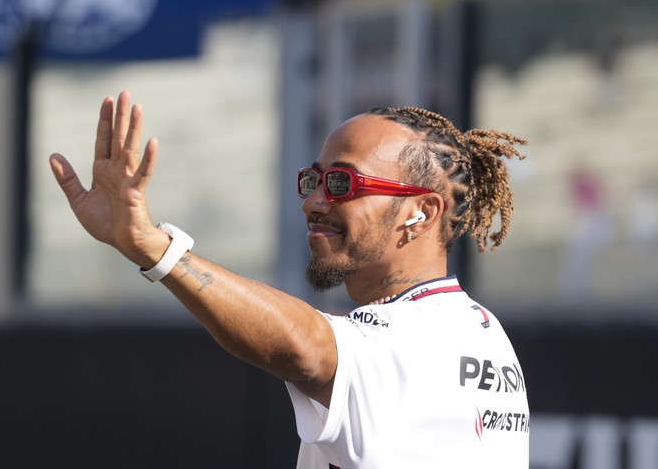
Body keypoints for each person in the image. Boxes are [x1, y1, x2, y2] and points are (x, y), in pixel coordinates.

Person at [49, 91, 529, 468]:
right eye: (313, 180)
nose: (315, 201)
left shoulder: (421, 337)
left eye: (343, 184)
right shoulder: (478, 330)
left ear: (421, 212)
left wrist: (155, 248)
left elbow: (306, 347)